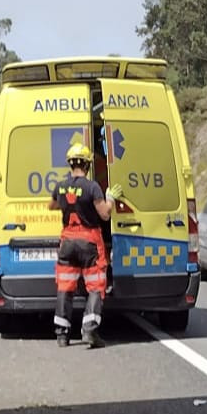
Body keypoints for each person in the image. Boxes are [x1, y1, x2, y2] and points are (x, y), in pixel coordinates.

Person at [47, 142, 125, 348]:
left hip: (67, 242)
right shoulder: (92, 187)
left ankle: (62, 335)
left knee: (65, 287)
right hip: (89, 242)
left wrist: (67, 202)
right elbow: (105, 214)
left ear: (70, 164)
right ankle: (89, 330)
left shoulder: (61, 186)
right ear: (88, 165)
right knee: (95, 286)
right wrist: (110, 199)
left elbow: (52, 205)